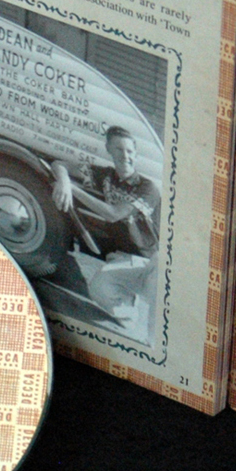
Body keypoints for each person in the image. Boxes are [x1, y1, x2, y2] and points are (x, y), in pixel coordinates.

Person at [50, 125, 159, 326]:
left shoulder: (147, 187)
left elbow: (113, 214)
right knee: (99, 288)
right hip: (125, 258)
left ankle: (152, 336)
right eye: (119, 149)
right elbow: (59, 165)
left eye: (129, 151)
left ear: (136, 154)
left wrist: (73, 190)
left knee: (160, 308)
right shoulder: (106, 176)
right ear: (108, 149)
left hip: (152, 262)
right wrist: (64, 183)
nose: (125, 156)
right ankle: (128, 310)